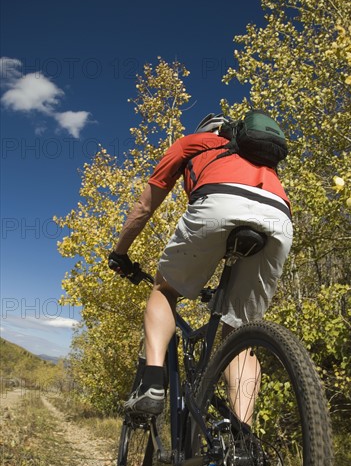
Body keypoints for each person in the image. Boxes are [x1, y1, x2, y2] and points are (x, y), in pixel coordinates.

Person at [108, 112, 293, 417]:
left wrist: (120, 253)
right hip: (279, 218)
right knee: (239, 332)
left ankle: (152, 384)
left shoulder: (191, 143)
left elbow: (144, 206)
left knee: (164, 290)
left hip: (219, 202)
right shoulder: (259, 157)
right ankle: (241, 439)